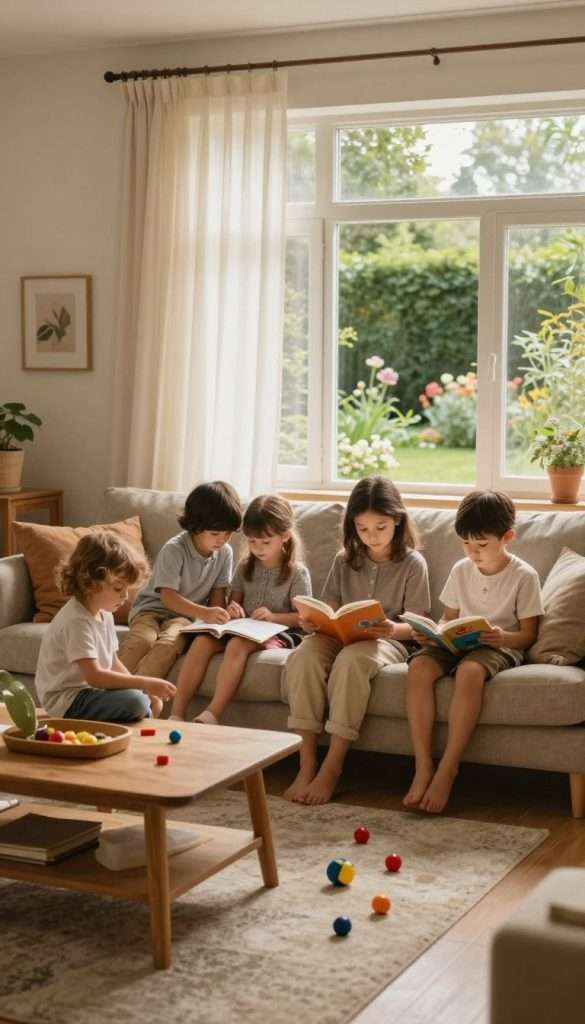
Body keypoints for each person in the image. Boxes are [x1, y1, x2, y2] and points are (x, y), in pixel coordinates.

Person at [285, 475, 431, 806]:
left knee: (352, 663)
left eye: (380, 527)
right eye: (363, 529)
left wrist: (394, 629)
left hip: (387, 641)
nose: (372, 536)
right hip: (339, 635)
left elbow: (419, 622)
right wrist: (314, 620)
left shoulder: (412, 563)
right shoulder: (344, 559)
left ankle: (332, 767)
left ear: (397, 519)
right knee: (304, 656)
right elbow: (330, 607)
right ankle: (307, 763)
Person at [403, 489, 544, 814]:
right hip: (456, 642)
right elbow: (447, 619)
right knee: (419, 668)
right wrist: (433, 634)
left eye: (482, 545)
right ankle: (423, 765)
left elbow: (528, 635)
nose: (473, 553)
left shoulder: (524, 576)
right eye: (466, 544)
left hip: (498, 646)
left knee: (469, 672)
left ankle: (448, 768)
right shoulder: (460, 569)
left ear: (507, 536)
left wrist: (502, 638)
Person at [171, 494, 311, 723]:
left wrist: (273, 617)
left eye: (265, 542)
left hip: (280, 632)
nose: (258, 549)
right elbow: (234, 604)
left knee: (237, 645)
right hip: (243, 628)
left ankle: (212, 713)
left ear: (284, 536)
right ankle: (176, 713)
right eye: (252, 542)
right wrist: (233, 609)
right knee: (201, 642)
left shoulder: (297, 572)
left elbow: (302, 618)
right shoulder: (245, 567)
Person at [35, 532, 176, 722]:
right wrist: (145, 683)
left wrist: (143, 690)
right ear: (90, 583)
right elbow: (95, 677)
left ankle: (133, 728)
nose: (125, 596)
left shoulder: (105, 613)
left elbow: (113, 663)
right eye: (118, 588)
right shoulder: (76, 620)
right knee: (136, 702)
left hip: (90, 693)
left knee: (142, 700)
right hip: (66, 700)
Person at [119, 480, 242, 680]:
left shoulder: (225, 553)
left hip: (184, 618)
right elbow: (168, 598)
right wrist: (205, 612)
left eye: (228, 534)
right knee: (142, 641)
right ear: (195, 526)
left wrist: (222, 613)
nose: (222, 540)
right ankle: (107, 690)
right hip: (150, 610)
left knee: (168, 645)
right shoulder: (174, 549)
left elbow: (217, 598)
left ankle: (137, 697)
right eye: (215, 533)